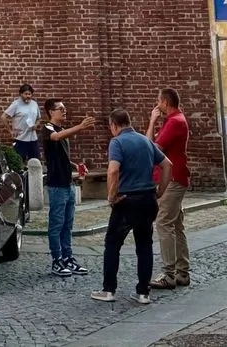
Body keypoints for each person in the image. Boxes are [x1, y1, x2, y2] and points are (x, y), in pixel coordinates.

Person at [91, 109, 172, 306]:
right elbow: (168, 165)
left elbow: (113, 170)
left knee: (112, 244)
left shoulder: (117, 142)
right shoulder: (145, 141)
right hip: (147, 199)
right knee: (144, 245)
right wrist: (159, 191)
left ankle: (109, 289)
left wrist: (111, 196)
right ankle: (143, 292)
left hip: (127, 200)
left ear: (114, 125)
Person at [42, 98, 96, 277]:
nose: (64, 111)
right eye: (61, 109)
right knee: (56, 224)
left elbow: (60, 155)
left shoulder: (62, 131)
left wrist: (74, 165)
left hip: (68, 184)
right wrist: (80, 127)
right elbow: (55, 138)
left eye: (64, 108)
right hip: (56, 185)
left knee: (68, 224)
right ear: (51, 112)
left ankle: (68, 258)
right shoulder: (47, 129)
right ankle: (56, 260)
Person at [147, 87, 191, 289]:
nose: (157, 104)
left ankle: (169, 274)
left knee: (164, 222)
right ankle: (182, 272)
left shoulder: (174, 122)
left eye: (159, 101)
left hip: (172, 178)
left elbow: (152, 148)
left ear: (165, 102)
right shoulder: (176, 120)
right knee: (176, 224)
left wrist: (152, 121)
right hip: (177, 176)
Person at [1, 84, 42, 163]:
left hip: (33, 138)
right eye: (26, 94)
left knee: (35, 162)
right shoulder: (16, 104)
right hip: (20, 139)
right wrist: (10, 131)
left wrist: (36, 125)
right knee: (19, 162)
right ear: (21, 94)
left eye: (30, 94)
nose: (28, 96)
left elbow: (39, 118)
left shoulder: (34, 104)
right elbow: (3, 117)